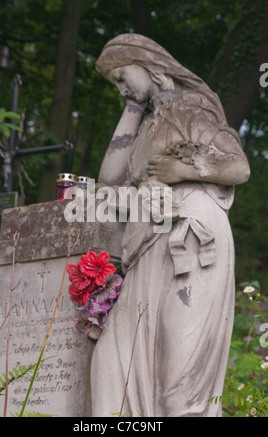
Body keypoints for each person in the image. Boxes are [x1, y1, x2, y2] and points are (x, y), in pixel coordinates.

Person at [90, 33, 250, 417]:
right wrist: (132, 106)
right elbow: (109, 183)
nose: (120, 85)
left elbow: (238, 167)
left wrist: (181, 169)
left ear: (148, 65)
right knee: (112, 361)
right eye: (116, 83)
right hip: (147, 248)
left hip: (192, 244)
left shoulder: (191, 108)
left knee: (178, 371)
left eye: (122, 75)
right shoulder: (147, 123)